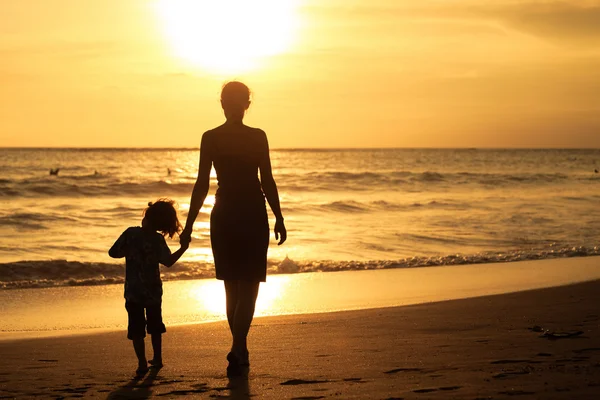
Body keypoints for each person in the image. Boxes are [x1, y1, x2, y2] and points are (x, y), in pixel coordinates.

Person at [180, 81, 287, 377]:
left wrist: (189, 225)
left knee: (231, 288)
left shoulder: (211, 137)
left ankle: (239, 349)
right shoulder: (257, 137)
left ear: (223, 104)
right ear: (247, 105)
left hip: (224, 213)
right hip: (252, 212)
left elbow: (202, 184)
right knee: (249, 286)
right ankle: (239, 348)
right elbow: (267, 180)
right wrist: (278, 216)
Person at [109, 199, 188, 377]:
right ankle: (158, 358)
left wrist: (128, 250)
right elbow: (168, 262)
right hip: (153, 292)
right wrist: (184, 248)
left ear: (147, 217)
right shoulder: (157, 239)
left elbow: (113, 252)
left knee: (136, 328)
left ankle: (142, 363)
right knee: (155, 326)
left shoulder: (131, 234)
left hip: (133, 291)